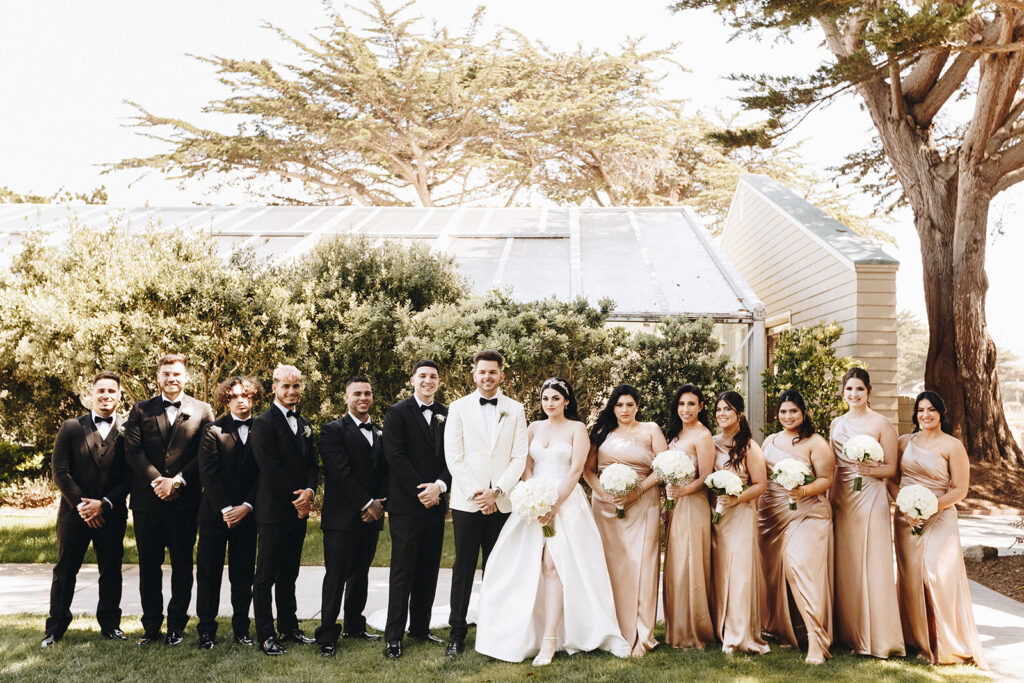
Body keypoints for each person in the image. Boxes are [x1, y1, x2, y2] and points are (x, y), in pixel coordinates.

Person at [475, 378, 629, 665]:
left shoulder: (577, 429)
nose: (550, 403)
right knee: (521, 566)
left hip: (566, 504)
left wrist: (554, 505)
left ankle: (550, 639)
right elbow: (526, 464)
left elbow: (575, 471)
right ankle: (522, 631)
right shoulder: (533, 427)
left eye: (556, 398)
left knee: (553, 565)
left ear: (566, 401)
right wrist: (533, 496)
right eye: (545, 398)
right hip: (533, 504)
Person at [890, 391, 987, 668]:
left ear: (941, 413)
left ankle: (944, 644)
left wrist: (930, 507)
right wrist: (906, 506)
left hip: (941, 516)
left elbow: (960, 490)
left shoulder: (953, 446)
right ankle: (918, 641)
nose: (926, 415)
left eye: (931, 410)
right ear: (915, 414)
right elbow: (892, 481)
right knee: (912, 579)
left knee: (935, 575)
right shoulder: (904, 442)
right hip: (907, 519)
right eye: (921, 410)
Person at [124, 354, 214, 646]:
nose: (171, 378)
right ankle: (151, 627)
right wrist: (157, 481)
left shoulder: (203, 410)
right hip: (147, 503)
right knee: (149, 566)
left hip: (185, 501)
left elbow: (205, 453)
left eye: (177, 374)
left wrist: (178, 481)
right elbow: (133, 452)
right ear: (158, 377)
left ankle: (176, 626)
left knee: (182, 566)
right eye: (166, 373)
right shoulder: (140, 410)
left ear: (186, 377)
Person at [443, 350, 528, 657]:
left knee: (498, 568)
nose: (487, 377)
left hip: (502, 503)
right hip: (468, 503)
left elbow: (519, 457)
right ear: (474, 374)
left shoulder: (515, 409)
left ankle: (495, 632)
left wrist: (497, 491)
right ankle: (457, 633)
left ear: (501, 375)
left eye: (493, 372)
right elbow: (454, 456)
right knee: (464, 567)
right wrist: (480, 494)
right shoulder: (458, 408)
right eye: (482, 372)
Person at [43, 371, 132, 648]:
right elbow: (60, 471)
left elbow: (131, 475)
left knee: (111, 569)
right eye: (101, 390)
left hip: (111, 513)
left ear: (119, 396)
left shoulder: (128, 430)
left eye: (112, 391)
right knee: (65, 570)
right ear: (91, 394)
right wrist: (83, 506)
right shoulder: (71, 427)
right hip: (74, 514)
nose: (106, 395)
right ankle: (55, 629)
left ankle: (111, 625)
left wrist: (103, 504)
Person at [583, 384, 667, 657]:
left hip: (643, 502)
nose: (624, 410)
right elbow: (588, 471)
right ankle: (611, 630)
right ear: (613, 407)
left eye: (630, 404)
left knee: (643, 565)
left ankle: (642, 635)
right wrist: (605, 494)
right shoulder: (601, 433)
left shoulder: (651, 430)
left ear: (637, 406)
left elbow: (663, 467)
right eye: (619, 405)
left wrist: (637, 492)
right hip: (606, 507)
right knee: (610, 567)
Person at [829, 368, 904, 658]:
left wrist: (869, 469)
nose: (854, 394)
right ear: (843, 392)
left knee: (872, 562)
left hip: (871, 497)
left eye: (859, 389)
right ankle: (848, 632)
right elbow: (834, 466)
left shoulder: (881, 424)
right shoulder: (836, 423)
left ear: (869, 392)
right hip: (842, 497)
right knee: (846, 564)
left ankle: (878, 637)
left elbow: (891, 469)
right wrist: (830, 497)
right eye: (849, 389)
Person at [758, 389, 835, 664]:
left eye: (793, 411)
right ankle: (785, 628)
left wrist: (803, 491)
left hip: (808, 513)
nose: (788, 416)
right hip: (772, 516)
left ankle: (817, 640)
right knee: (773, 573)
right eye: (783, 411)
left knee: (798, 568)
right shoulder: (769, 441)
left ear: (803, 413)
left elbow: (826, 479)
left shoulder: (816, 443)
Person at [315, 376, 389, 657]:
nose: (363, 398)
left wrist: (379, 504)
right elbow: (339, 472)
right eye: (357, 393)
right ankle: (327, 634)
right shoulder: (332, 431)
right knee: (336, 576)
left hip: (372, 516)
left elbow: (385, 472)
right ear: (346, 398)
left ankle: (355, 625)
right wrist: (367, 503)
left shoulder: (380, 431)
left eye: (367, 393)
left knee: (361, 573)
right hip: (341, 518)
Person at [381, 360, 450, 660]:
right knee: (403, 570)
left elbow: (454, 457)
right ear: (412, 380)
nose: (427, 381)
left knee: (428, 568)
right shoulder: (396, 413)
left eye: (433, 376)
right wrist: (422, 491)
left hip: (437, 503)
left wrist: (439, 486)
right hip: (407, 505)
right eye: (422, 376)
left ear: (439, 382)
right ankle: (394, 637)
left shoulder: (448, 414)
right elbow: (394, 456)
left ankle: (420, 628)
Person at [250, 365, 319, 656]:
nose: (292, 391)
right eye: (286, 386)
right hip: (274, 510)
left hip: (298, 512)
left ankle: (289, 627)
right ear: (275, 388)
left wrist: (310, 492)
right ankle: (266, 634)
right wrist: (297, 499)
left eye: (296, 386)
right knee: (266, 575)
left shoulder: (303, 422)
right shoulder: (263, 423)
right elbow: (270, 468)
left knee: (289, 573)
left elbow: (312, 463)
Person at [195, 376, 263, 649]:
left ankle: (242, 629)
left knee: (243, 575)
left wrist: (247, 506)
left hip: (248, 514)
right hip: (215, 514)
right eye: (234, 396)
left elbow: (264, 474)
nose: (240, 400)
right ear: (227, 399)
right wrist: (226, 509)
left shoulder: (263, 429)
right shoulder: (213, 430)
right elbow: (208, 473)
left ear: (254, 398)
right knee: (208, 573)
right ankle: (206, 631)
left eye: (246, 395)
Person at [709, 392, 769, 655]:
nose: (722, 414)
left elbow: (761, 485)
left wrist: (736, 499)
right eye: (719, 409)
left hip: (741, 514)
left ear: (740, 414)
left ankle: (740, 633)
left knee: (740, 573)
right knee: (720, 571)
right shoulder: (710, 443)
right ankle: (720, 628)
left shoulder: (749, 447)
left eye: (728, 409)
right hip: (715, 514)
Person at [661, 384, 715, 650]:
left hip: (693, 504)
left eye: (691, 404)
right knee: (676, 564)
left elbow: (705, 476)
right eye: (682, 404)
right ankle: (676, 628)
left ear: (701, 407)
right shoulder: (677, 433)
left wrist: (682, 491)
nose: (686, 409)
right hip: (676, 504)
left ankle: (694, 631)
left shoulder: (703, 436)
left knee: (690, 563)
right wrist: (669, 500)